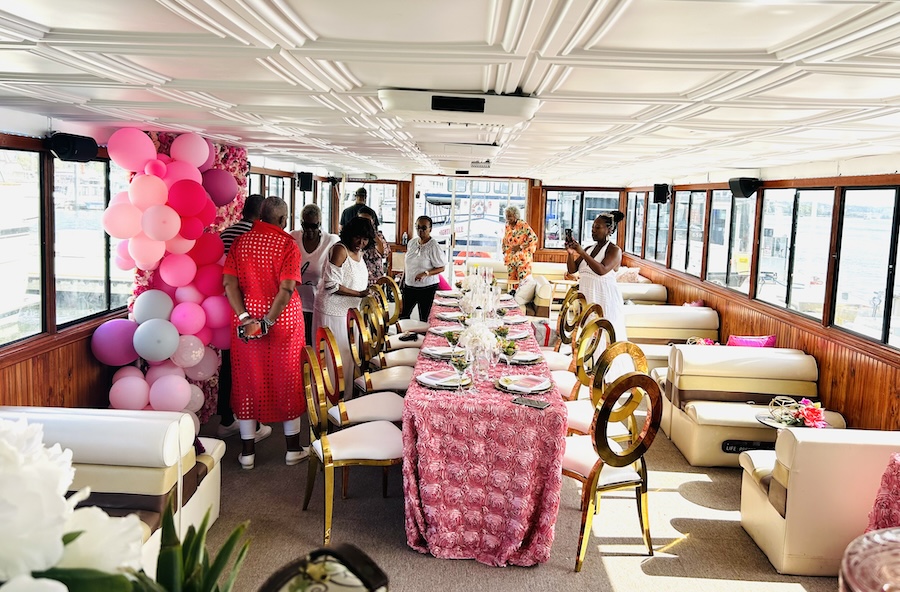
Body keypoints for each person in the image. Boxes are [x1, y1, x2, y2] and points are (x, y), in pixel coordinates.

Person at [223, 196, 307, 470]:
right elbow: (286, 289)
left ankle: (247, 453)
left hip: (246, 321)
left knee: (248, 379)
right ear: (283, 220)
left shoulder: (240, 242)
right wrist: (268, 321)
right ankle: (292, 449)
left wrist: (247, 317)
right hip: (282, 320)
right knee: (288, 378)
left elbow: (229, 284)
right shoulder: (286, 244)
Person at [216, 194, 270, 441]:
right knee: (253, 367)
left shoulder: (226, 233)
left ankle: (226, 419)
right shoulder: (258, 236)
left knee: (228, 365)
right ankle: (254, 423)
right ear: (262, 214)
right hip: (251, 307)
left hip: (222, 306)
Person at [312, 217, 376, 399]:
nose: (360, 243)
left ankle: (346, 398)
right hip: (333, 311)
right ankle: (331, 400)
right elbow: (331, 285)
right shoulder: (340, 250)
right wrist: (359, 294)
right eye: (357, 237)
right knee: (335, 357)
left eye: (365, 239)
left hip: (350, 312)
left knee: (349, 355)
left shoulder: (360, 252)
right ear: (349, 234)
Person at [565, 211, 630, 380]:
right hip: (589, 298)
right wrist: (571, 254)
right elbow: (572, 270)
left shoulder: (615, 251)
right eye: (593, 227)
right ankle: (590, 375)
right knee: (589, 336)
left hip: (605, 299)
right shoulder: (589, 248)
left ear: (609, 230)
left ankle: (608, 378)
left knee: (605, 336)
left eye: (598, 227)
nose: (593, 230)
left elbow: (601, 270)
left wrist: (582, 252)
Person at [290, 204, 338, 345]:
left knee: (314, 345)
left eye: (314, 226)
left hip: (317, 304)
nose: (310, 230)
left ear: (320, 224)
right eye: (306, 226)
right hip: (296, 303)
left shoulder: (330, 241)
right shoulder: (293, 237)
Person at [401, 215, 445, 321]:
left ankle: (423, 337)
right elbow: (407, 264)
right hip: (409, 286)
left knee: (424, 318)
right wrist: (402, 279)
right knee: (403, 315)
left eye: (424, 228)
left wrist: (426, 273)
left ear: (430, 229)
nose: (420, 230)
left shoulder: (433, 246)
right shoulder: (412, 243)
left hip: (427, 288)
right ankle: (404, 337)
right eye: (418, 227)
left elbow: (441, 268)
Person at [502, 206, 537, 293]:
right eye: (506, 216)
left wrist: (520, 246)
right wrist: (504, 250)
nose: (507, 218)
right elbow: (505, 239)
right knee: (512, 283)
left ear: (515, 216)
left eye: (510, 216)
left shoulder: (523, 225)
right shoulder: (507, 226)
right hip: (511, 259)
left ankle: (522, 302)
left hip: (523, 260)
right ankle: (511, 301)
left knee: (523, 283)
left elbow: (533, 238)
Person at [357, 205, 391, 285]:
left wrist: (372, 232)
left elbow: (384, 253)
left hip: (375, 281)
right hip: (359, 279)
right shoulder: (354, 238)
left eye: (367, 221)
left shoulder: (378, 236)